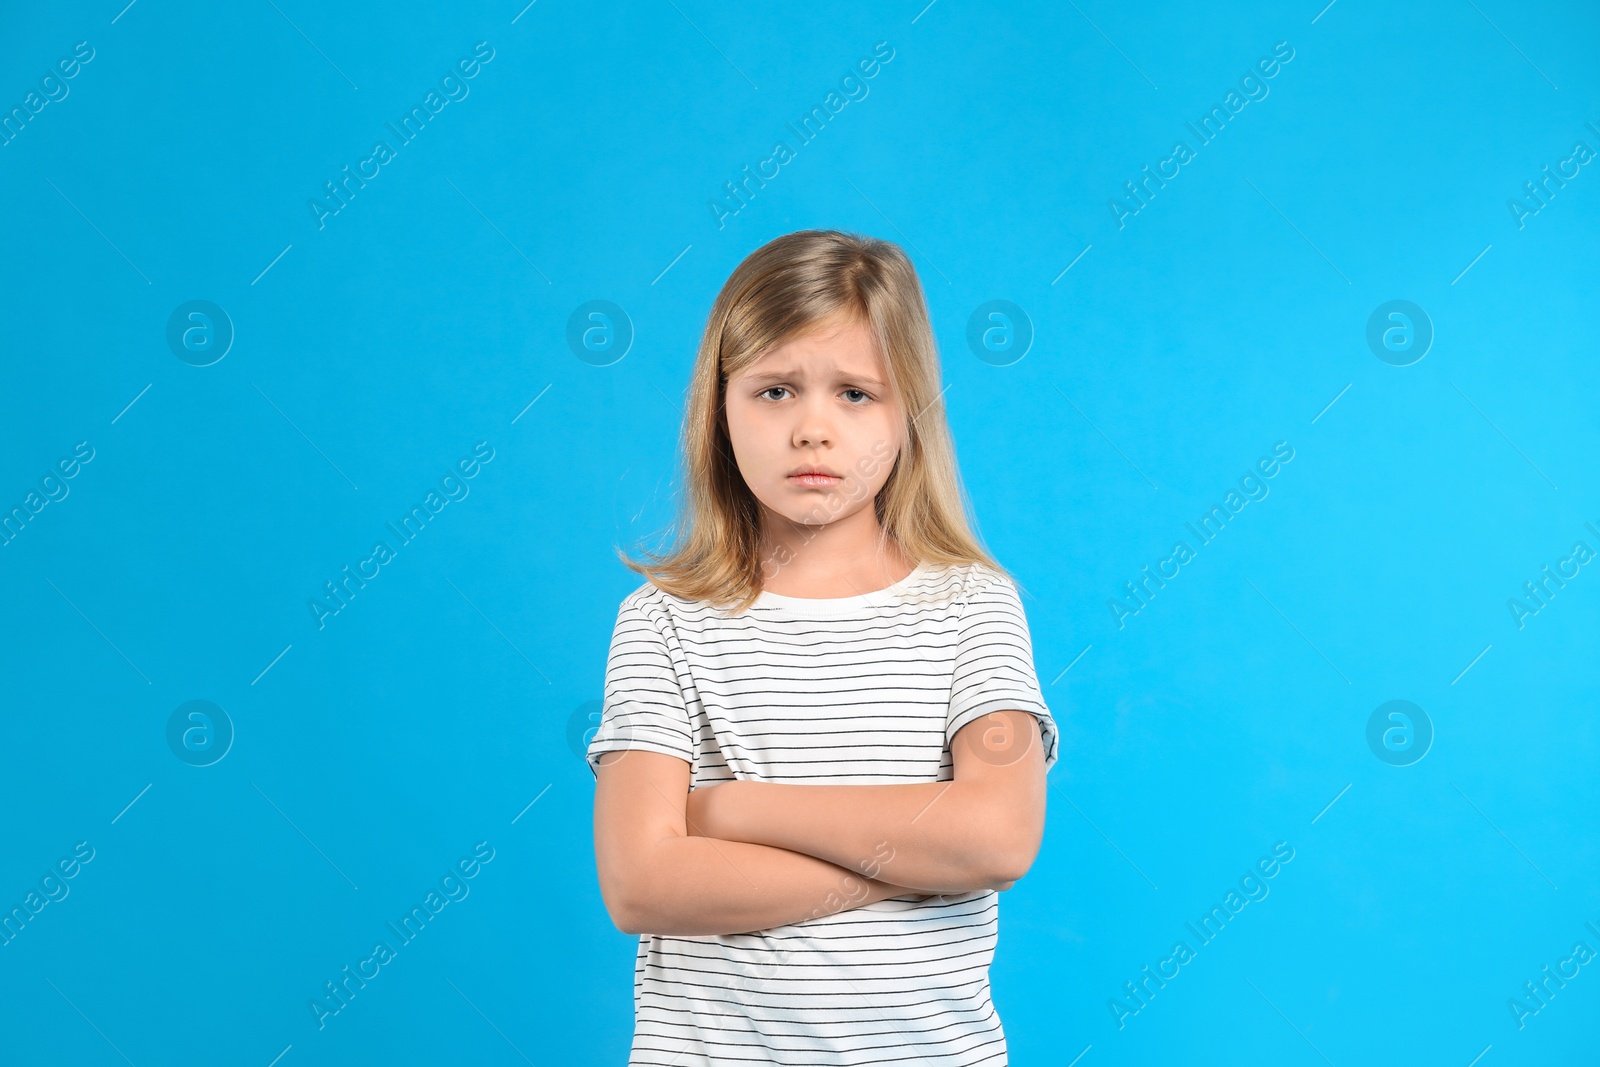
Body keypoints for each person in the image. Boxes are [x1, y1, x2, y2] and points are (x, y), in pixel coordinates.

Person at [586, 228, 1060, 1065]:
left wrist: (730, 811)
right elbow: (641, 882)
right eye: (774, 391)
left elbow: (997, 838)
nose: (813, 429)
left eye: (855, 393)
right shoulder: (661, 620)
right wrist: (915, 859)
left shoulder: (974, 607)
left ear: (908, 409)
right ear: (719, 407)